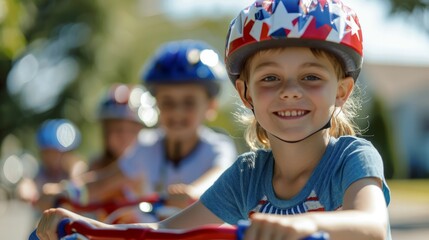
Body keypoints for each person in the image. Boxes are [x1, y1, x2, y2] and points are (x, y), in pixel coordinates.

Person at [34, 1, 392, 239]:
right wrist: (87, 227)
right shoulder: (247, 175)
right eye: (270, 78)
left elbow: (372, 224)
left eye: (311, 77)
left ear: (342, 91)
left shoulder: (350, 158)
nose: (290, 91)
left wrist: (304, 225)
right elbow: (165, 232)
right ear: (246, 93)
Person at [40, 40, 237, 215]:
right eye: (168, 102)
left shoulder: (217, 147)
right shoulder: (146, 146)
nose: (177, 112)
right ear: (156, 104)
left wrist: (194, 192)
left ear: (211, 106)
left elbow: (218, 177)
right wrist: (63, 193)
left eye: (189, 102)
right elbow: (104, 182)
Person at [17, 119, 86, 212]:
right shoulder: (43, 170)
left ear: (68, 153)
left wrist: (55, 190)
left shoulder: (76, 167)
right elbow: (30, 183)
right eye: (46, 153)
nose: (49, 158)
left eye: (54, 153)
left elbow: (79, 182)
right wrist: (26, 189)